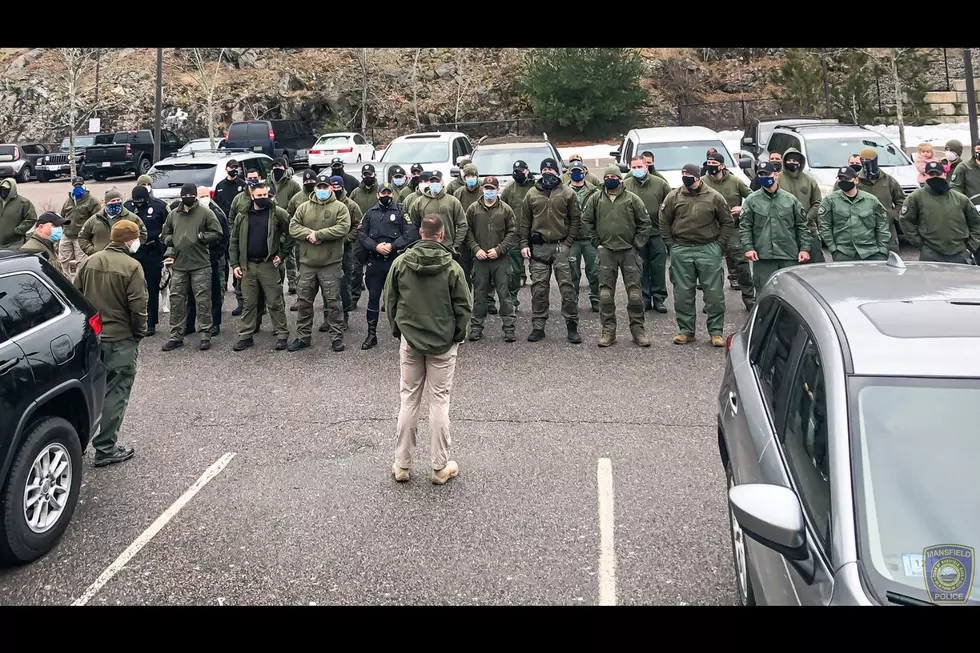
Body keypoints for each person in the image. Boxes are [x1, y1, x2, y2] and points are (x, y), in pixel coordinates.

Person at [385, 214, 471, 486]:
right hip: (443, 344)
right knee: (439, 402)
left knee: (409, 400)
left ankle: (402, 464)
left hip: (410, 340)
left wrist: (400, 331)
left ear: (420, 233)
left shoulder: (400, 263)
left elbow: (390, 300)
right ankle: (439, 466)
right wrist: (455, 336)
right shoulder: (453, 267)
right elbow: (464, 307)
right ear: (442, 235)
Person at [72, 219, 146, 467]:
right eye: (136, 238)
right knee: (116, 393)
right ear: (129, 240)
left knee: (93, 390)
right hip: (120, 339)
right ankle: (105, 448)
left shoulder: (90, 262)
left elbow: (76, 295)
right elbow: (138, 307)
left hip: (94, 338)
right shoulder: (132, 266)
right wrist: (139, 333)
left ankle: (80, 444)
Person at [660, 163, 734, 347]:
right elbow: (663, 221)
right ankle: (686, 331)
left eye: (688, 174)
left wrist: (718, 246)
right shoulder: (674, 196)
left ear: (698, 177)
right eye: (683, 173)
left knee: (714, 294)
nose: (685, 176)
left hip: (708, 248)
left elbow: (727, 222)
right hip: (681, 248)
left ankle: (716, 332)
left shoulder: (714, 197)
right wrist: (671, 245)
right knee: (683, 293)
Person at [581, 165, 651, 347]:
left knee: (635, 295)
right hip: (606, 252)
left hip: (628, 252)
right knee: (605, 295)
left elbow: (645, 223)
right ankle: (608, 331)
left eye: (613, 176)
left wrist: (636, 244)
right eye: (607, 176)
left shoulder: (632, 199)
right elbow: (586, 221)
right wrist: (596, 242)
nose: (610, 179)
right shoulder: (595, 199)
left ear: (620, 179)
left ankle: (638, 331)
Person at [519, 157, 583, 344]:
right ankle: (538, 326)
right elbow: (525, 222)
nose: (548, 173)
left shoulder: (568, 193)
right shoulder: (531, 194)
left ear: (557, 172)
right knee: (538, 289)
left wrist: (568, 243)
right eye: (544, 171)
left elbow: (575, 220)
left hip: (560, 245)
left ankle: (572, 326)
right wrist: (524, 244)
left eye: (551, 170)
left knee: (567, 288)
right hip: (539, 248)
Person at [288, 173, 351, 352]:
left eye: (325, 187)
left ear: (331, 188)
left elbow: (343, 228)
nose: (322, 190)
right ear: (315, 188)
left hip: (330, 264)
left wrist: (319, 235)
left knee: (333, 302)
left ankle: (336, 337)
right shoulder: (303, 207)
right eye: (319, 187)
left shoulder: (340, 207)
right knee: (304, 302)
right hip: (307, 264)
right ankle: (303, 336)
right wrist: (309, 234)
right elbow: (293, 227)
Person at [229, 181, 293, 352]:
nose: (263, 198)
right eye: (259, 196)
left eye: (265, 195)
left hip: (268, 265)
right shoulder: (242, 215)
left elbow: (291, 233)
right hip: (248, 266)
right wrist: (234, 264)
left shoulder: (278, 213)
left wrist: (282, 254)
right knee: (249, 303)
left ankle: (281, 335)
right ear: (252, 196)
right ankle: (246, 336)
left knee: (275, 301)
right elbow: (234, 241)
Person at [160, 183, 224, 352]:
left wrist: (201, 237)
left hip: (200, 264)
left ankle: (205, 335)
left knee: (203, 300)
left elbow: (217, 232)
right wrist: (170, 241)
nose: (187, 198)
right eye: (184, 196)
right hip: (180, 265)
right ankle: (176, 336)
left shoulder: (205, 213)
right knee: (176, 301)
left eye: (190, 195)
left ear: (194, 196)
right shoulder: (174, 214)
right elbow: (165, 233)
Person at [358, 182, 417, 350]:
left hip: (394, 261)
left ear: (392, 194)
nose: (386, 195)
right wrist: (375, 246)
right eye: (383, 193)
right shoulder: (370, 213)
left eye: (388, 193)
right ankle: (371, 334)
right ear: (377, 195)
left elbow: (410, 234)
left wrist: (392, 246)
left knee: (400, 299)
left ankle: (403, 335)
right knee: (373, 298)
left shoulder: (401, 212)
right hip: (375, 261)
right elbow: (361, 234)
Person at [739, 161, 810, 296]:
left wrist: (805, 249)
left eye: (767, 174)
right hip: (763, 257)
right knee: (765, 294)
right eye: (761, 175)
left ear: (776, 175)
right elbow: (745, 226)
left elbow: (801, 226)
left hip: (788, 255)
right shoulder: (752, 200)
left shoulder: (790, 200)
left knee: (791, 294)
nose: (764, 177)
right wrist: (748, 247)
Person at [464, 176, 518, 342]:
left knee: (504, 294)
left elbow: (513, 232)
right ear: (482, 189)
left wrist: (499, 249)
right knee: (479, 295)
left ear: (497, 189)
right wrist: (476, 249)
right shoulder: (473, 209)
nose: (489, 191)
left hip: (500, 260)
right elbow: (467, 232)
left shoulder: (506, 209)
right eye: (486, 188)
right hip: (480, 259)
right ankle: (476, 328)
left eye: (492, 188)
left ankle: (509, 328)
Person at [700, 152, 754, 310]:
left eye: (714, 163)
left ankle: (749, 298)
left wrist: (743, 207)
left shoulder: (735, 181)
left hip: (732, 228)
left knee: (741, 264)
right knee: (710, 267)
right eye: (708, 162)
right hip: (710, 230)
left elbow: (753, 197)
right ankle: (711, 301)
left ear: (722, 165)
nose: (711, 165)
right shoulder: (703, 182)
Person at [900, 161, 980, 264]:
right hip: (931, 253)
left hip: (959, 253)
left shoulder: (960, 199)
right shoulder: (915, 198)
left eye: (938, 174)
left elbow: (976, 222)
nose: (935, 177)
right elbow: (905, 221)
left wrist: (970, 246)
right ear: (925, 176)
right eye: (931, 174)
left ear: (945, 174)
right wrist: (920, 244)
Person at [623, 155, 671, 315]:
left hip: (657, 233)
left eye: (639, 167)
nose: (637, 170)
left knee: (657, 267)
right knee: (640, 267)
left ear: (647, 167)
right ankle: (644, 297)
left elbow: (670, 206)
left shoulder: (660, 184)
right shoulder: (626, 185)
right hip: (636, 235)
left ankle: (659, 298)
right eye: (634, 167)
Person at [818, 166, 891, 262]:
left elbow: (882, 226)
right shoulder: (829, 201)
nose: (843, 181)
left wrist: (882, 250)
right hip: (844, 252)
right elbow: (824, 226)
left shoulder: (871, 200)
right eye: (841, 179)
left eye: (847, 179)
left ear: (856, 180)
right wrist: (833, 249)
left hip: (871, 252)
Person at [185, 186, 229, 338]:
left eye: (205, 195)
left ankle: (214, 323)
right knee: (191, 293)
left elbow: (223, 238)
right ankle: (189, 323)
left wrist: (215, 256)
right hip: (193, 259)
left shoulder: (216, 214)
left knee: (214, 292)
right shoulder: (191, 213)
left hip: (211, 259)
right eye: (200, 196)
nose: (203, 198)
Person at [125, 185, 169, 336]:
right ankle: (134, 321)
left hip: (152, 252)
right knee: (133, 288)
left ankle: (151, 323)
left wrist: (163, 249)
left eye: (141, 202)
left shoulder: (159, 206)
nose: (139, 205)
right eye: (136, 202)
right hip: (133, 253)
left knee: (152, 287)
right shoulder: (128, 207)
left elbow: (168, 228)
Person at [453, 162, 495, 312]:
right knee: (465, 269)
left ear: (477, 177)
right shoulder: (458, 193)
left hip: (482, 235)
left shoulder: (484, 190)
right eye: (467, 176)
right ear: (463, 178)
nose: (470, 178)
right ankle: (467, 299)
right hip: (464, 237)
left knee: (486, 270)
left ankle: (489, 300)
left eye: (473, 175)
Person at [407, 170, 468, 263]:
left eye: (437, 181)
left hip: (447, 249)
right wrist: (419, 243)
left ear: (442, 182)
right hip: (425, 250)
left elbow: (463, 225)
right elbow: (413, 225)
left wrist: (455, 245)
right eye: (432, 182)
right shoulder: (419, 202)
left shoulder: (453, 202)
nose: (434, 184)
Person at [566, 160, 601, 313]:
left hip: (590, 238)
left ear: (584, 172)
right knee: (572, 273)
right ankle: (573, 300)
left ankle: (596, 299)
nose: (576, 173)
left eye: (579, 171)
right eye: (573, 171)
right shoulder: (564, 191)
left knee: (594, 271)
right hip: (571, 239)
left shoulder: (594, 191)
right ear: (569, 173)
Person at [777, 148, 824, 263]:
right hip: (786, 231)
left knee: (816, 265)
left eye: (795, 160)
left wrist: (807, 218)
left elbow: (817, 202)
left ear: (800, 162)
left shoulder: (810, 180)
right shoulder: (777, 179)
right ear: (784, 161)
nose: (792, 163)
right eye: (789, 160)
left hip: (809, 229)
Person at [855, 147, 905, 254]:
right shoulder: (855, 181)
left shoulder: (888, 180)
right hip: (862, 228)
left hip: (886, 227)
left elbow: (901, 201)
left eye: (868, 160)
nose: (865, 163)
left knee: (890, 257)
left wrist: (892, 214)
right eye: (862, 160)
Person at [330, 175, 364, 329]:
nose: (335, 189)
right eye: (333, 186)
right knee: (328, 285)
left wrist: (347, 239)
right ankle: (329, 316)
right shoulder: (326, 204)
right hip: (327, 251)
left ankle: (344, 315)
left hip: (345, 250)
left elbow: (358, 226)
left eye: (338, 187)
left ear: (342, 187)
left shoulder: (351, 205)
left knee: (344, 284)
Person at [501, 160, 535, 309]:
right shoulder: (509, 189)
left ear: (527, 171)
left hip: (534, 232)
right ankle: (513, 300)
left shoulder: (535, 187)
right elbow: (501, 209)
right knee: (514, 270)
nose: (518, 174)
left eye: (521, 171)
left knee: (538, 270)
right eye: (515, 171)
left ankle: (538, 302)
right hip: (515, 233)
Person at [213, 159, 247, 296]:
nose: (234, 170)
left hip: (237, 226)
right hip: (223, 226)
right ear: (226, 169)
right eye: (232, 167)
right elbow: (215, 205)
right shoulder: (220, 185)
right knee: (223, 257)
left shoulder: (243, 185)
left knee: (235, 256)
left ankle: (236, 284)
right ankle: (223, 285)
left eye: (236, 168)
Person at [78, 190, 148, 256]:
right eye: (113, 201)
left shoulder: (132, 218)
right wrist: (92, 251)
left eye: (118, 200)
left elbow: (143, 235)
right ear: (106, 203)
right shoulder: (94, 219)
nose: (116, 203)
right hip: (100, 258)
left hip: (123, 257)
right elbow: (82, 237)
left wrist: (131, 248)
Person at [268, 157, 302, 294]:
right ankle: (276, 280)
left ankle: (292, 281)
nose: (277, 168)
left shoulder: (292, 184)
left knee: (290, 254)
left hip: (288, 221)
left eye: (280, 166)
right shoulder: (267, 182)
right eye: (275, 166)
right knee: (275, 252)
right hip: (272, 222)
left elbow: (298, 203)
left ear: (285, 168)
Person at [58, 177, 100, 274]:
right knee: (64, 261)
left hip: (81, 237)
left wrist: (89, 235)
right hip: (67, 235)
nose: (78, 188)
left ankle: (80, 285)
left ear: (84, 186)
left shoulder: (92, 201)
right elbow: (62, 216)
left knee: (82, 263)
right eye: (75, 185)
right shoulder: (69, 200)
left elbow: (96, 220)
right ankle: (66, 283)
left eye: (80, 185)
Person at [21, 211, 69, 277]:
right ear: (41, 227)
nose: (59, 229)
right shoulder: (33, 250)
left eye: (61, 226)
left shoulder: (47, 245)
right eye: (55, 225)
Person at [0, 178, 37, 251]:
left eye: (6, 189)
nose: (3, 191)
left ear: (12, 189)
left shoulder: (23, 203)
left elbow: (31, 219)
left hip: (14, 243)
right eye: (1, 189)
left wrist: (17, 231)